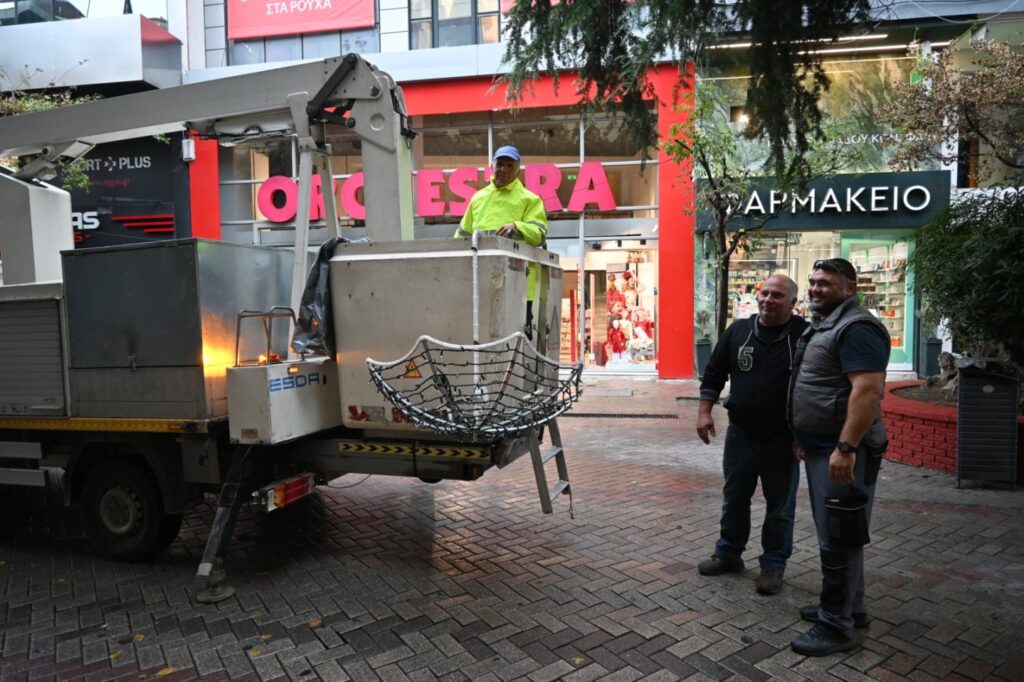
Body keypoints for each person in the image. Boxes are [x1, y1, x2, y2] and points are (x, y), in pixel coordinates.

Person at [787, 257, 890, 657]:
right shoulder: (827, 323)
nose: (815, 288)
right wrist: (803, 436)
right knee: (837, 532)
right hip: (821, 446)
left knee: (839, 536)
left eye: (825, 283)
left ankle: (835, 624)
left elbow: (867, 391)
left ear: (850, 288)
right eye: (813, 282)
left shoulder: (857, 328)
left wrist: (846, 448)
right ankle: (851, 607)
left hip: (843, 450)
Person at [696, 274, 808, 596]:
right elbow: (714, 372)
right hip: (740, 436)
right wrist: (704, 412)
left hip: (783, 440)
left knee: (780, 507)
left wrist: (803, 433)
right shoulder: (738, 332)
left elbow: (813, 386)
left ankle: (773, 565)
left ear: (793, 303)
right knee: (734, 498)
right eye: (764, 293)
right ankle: (729, 553)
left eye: (777, 295)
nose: (768, 299)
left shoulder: (804, 336)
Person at [456, 145, 547, 336]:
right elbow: (462, 236)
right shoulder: (478, 198)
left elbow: (539, 234)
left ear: (517, 171)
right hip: (480, 283)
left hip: (518, 285)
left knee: (517, 341)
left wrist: (517, 226)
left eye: (509, 165)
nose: (503, 169)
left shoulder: (530, 199)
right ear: (492, 166)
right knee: (481, 336)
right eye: (500, 164)